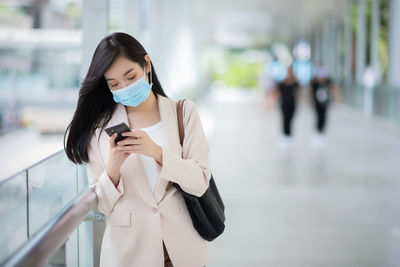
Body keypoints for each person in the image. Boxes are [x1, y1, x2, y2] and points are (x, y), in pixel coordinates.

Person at [64, 32, 211, 267]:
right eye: (114, 84)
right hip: (130, 254)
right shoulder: (99, 129)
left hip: (183, 250)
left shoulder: (183, 113)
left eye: (130, 76)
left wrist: (158, 153)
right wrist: (113, 166)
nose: (124, 87)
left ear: (146, 64)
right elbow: (102, 205)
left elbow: (201, 181)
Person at [309, 65, 342, 145]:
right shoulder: (314, 82)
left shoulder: (328, 81)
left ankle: (322, 133)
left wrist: (338, 98)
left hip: (325, 103)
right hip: (317, 103)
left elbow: (334, 89)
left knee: (324, 117)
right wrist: (310, 102)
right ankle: (317, 132)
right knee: (318, 117)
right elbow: (311, 93)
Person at [274, 66, 300, 146]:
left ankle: (289, 135)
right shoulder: (281, 83)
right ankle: (285, 135)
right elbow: (277, 93)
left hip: (292, 104)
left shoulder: (296, 83)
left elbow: (297, 94)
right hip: (284, 104)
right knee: (285, 119)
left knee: (290, 119)